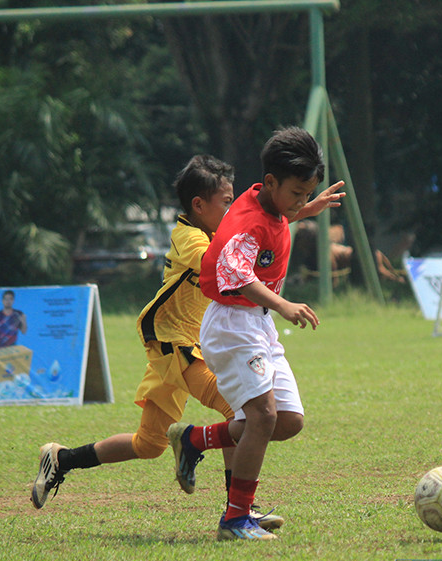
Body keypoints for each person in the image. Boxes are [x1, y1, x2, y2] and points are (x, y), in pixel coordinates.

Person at [28, 154, 344, 521]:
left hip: (192, 345)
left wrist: (301, 210)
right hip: (174, 342)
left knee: (149, 444)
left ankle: (61, 459)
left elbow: (250, 230)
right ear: (198, 205)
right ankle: (241, 508)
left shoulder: (213, 231)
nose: (232, 210)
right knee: (240, 409)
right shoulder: (190, 238)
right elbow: (230, 258)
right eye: (226, 202)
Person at [168, 126, 326, 541]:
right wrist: (284, 304)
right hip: (233, 325)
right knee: (262, 417)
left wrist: (306, 209)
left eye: (307, 193)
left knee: (287, 421)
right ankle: (236, 518)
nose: (301, 200)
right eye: (297, 193)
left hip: (257, 323)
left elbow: (281, 214)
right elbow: (235, 274)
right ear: (271, 182)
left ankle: (194, 439)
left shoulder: (266, 200)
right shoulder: (248, 222)